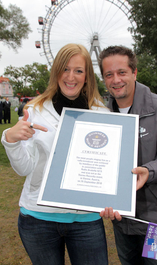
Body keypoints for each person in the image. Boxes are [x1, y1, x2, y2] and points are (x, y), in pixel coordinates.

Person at [1, 44, 109, 265]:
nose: (71, 76)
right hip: (38, 218)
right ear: (56, 72)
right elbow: (24, 169)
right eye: (65, 69)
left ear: (87, 75)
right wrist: (11, 140)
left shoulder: (103, 114)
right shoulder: (35, 110)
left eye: (78, 70)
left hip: (86, 219)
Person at [98, 45, 157, 265]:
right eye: (109, 74)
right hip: (122, 219)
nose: (116, 80)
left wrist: (150, 171)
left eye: (122, 72)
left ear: (134, 72)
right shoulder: (102, 116)